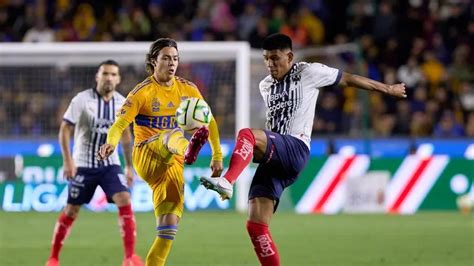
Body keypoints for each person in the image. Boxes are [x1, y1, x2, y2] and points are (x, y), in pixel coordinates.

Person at [200, 33, 407, 266]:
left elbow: (348, 79)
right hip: (276, 157)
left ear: (289, 56)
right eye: (267, 59)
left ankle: (227, 181)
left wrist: (388, 89)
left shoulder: (309, 72)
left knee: (247, 135)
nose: (270, 64)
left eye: (275, 58)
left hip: (295, 148)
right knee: (256, 225)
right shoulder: (265, 85)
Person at [98, 38, 223, 266]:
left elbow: (211, 121)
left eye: (175, 58)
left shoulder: (188, 89)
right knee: (172, 135)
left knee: (167, 231)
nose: (172, 63)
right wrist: (111, 143)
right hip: (147, 155)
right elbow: (119, 125)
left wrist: (217, 155)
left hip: (173, 165)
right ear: (153, 61)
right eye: (166, 58)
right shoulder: (142, 92)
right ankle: (189, 148)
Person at [46, 60, 143, 266]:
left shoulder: (122, 102)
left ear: (118, 79)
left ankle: (129, 258)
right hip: (83, 164)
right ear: (97, 76)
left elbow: (126, 135)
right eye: (105, 73)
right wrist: (67, 160)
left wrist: (128, 166)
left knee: (124, 199)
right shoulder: (82, 100)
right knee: (71, 210)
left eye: (113, 74)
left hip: (110, 164)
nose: (108, 77)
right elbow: (65, 129)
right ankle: (53, 257)